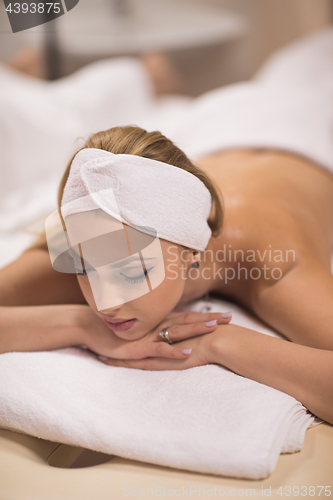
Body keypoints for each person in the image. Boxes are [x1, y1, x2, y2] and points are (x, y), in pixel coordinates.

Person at [1, 30, 333, 426]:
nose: (106, 303)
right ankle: (155, 78)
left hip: (311, 124)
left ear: (193, 251)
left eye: (133, 271)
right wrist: (79, 324)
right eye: (85, 268)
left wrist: (220, 341)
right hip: (214, 119)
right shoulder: (92, 226)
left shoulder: (267, 256)